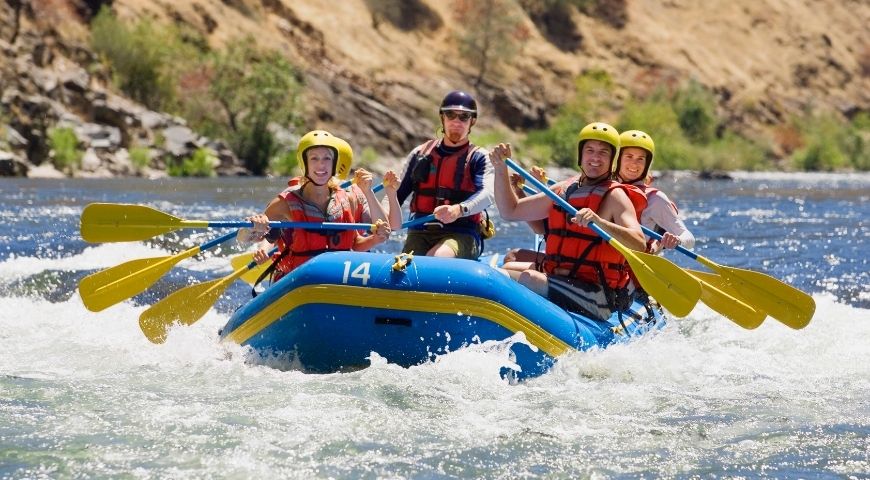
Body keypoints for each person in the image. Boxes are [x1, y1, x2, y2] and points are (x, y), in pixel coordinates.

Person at [489, 122, 647, 321]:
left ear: (612, 160)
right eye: (590, 150)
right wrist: (500, 169)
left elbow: (639, 243)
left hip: (597, 294)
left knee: (529, 278)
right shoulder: (563, 190)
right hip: (559, 277)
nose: (595, 158)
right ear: (581, 155)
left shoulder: (615, 196)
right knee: (505, 270)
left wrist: (599, 222)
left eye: (603, 153)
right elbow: (510, 211)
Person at [246, 130, 391, 281]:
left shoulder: (348, 199)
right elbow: (248, 236)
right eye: (314, 158)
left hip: (337, 281)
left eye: (327, 158)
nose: (321, 164)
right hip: (297, 283)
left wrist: (375, 239)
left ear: (334, 163)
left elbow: (354, 244)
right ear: (305, 163)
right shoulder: (285, 203)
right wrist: (255, 225)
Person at [383, 90, 493, 259]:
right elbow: (395, 194)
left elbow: (487, 195)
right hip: (420, 232)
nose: (456, 121)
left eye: (464, 116)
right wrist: (380, 218)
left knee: (438, 256)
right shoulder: (419, 154)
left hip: (462, 233)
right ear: (442, 118)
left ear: (473, 121)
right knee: (405, 265)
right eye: (450, 115)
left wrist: (458, 210)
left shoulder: (479, 157)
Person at [614, 129, 695, 254]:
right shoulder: (603, 188)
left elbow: (689, 239)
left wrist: (677, 240)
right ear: (617, 159)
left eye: (640, 159)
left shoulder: (655, 199)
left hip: (631, 268)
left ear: (647, 164)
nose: (634, 164)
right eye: (629, 156)